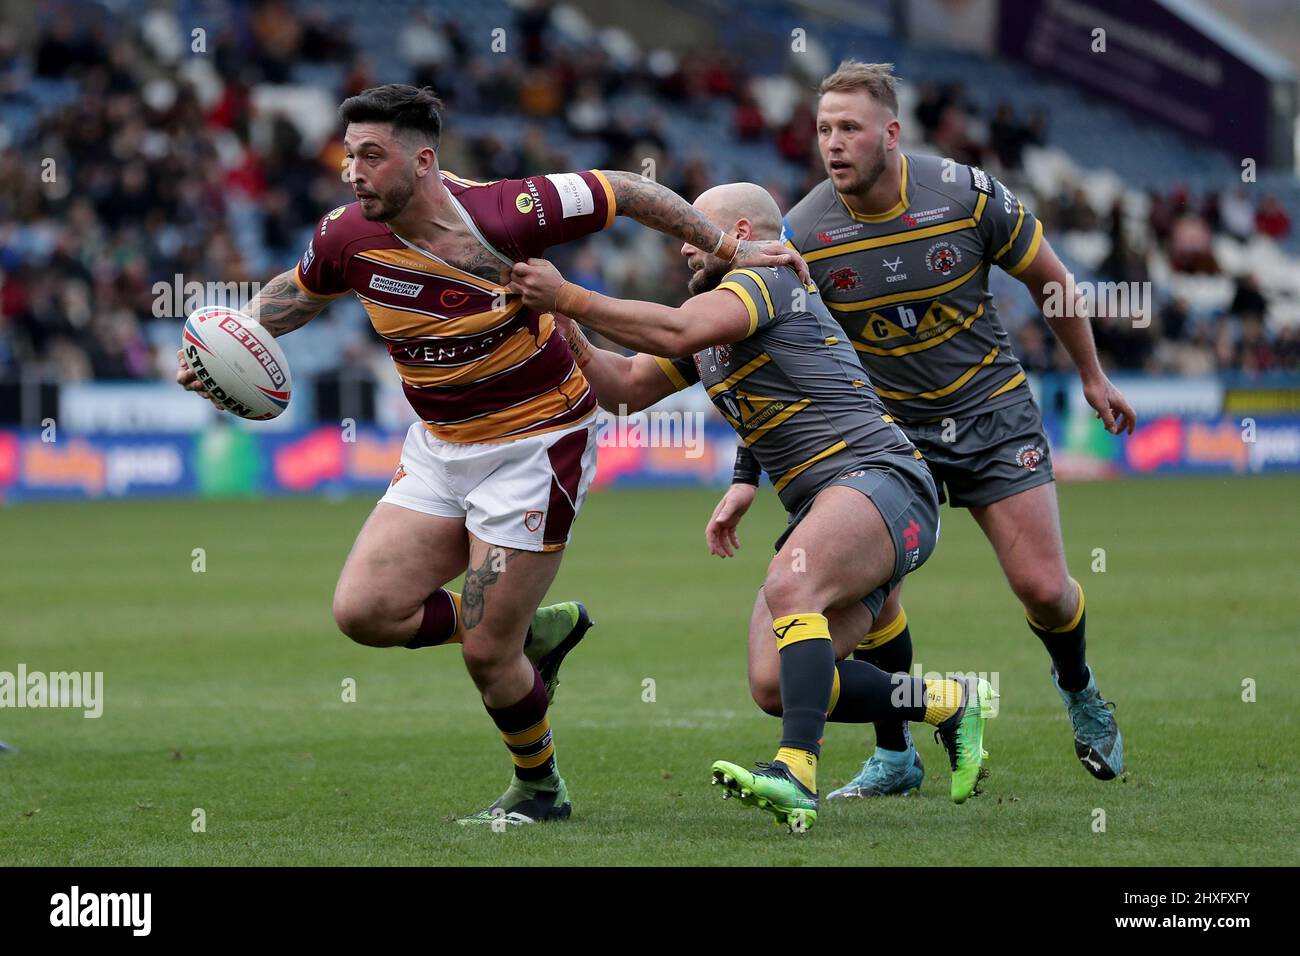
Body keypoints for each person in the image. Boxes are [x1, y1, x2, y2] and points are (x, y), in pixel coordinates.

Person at [176, 83, 805, 825]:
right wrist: (234, 341)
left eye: (371, 157)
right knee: (365, 612)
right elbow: (300, 292)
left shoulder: (512, 210)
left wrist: (732, 248)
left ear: (424, 159)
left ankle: (541, 789)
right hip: (440, 448)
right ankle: (536, 630)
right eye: (349, 157)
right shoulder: (346, 235)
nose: (353, 173)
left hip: (535, 448)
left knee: (484, 654)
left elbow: (630, 189)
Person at [508, 182, 995, 832]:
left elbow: (678, 327)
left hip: (883, 479)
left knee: (790, 582)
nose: (684, 244)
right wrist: (559, 322)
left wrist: (568, 292)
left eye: (694, 229)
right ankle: (946, 702)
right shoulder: (713, 320)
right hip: (838, 504)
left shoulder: (766, 282)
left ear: (739, 230)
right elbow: (623, 388)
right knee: (775, 684)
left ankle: (795, 773)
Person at [713, 61, 1135, 798]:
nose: (833, 144)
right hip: (884, 438)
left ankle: (1079, 687)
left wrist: (1093, 376)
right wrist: (747, 478)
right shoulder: (805, 232)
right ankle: (896, 755)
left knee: (1043, 588)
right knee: (874, 600)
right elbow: (784, 360)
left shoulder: (964, 196)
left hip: (990, 414)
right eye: (822, 129)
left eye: (849, 127)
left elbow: (1051, 282)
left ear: (892, 133)